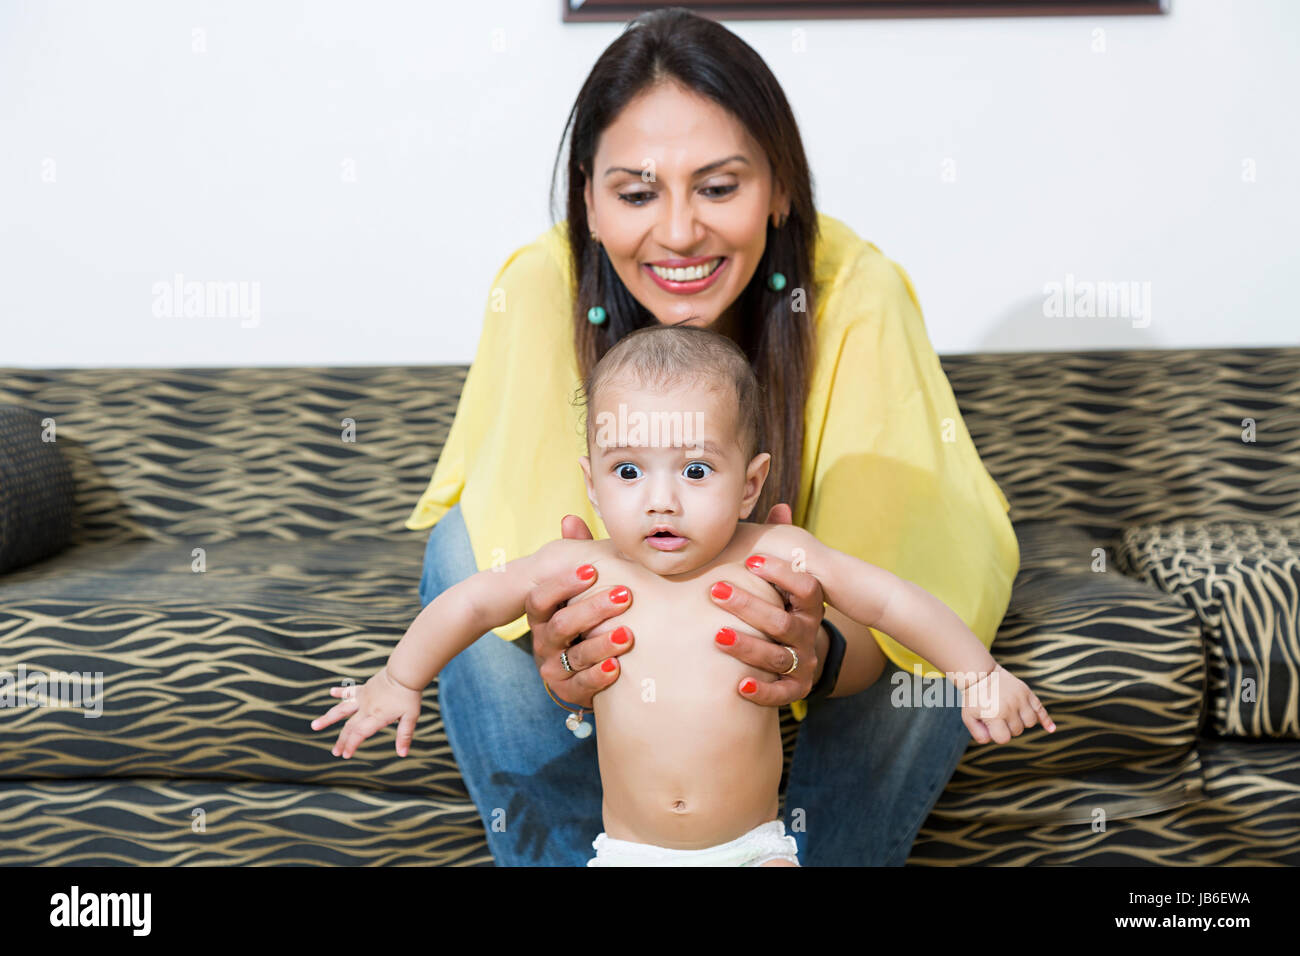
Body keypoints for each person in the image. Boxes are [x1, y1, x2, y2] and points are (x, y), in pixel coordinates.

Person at [400, 9, 1020, 866]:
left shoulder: (854, 290)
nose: (681, 231)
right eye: (635, 191)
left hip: (799, 650)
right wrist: (561, 635)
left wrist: (818, 647)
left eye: (720, 187)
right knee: (459, 550)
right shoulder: (541, 284)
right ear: (588, 196)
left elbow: (907, 569)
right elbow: (518, 549)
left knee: (934, 623)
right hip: (625, 686)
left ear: (781, 188)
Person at [314, 326, 1052, 867]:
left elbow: (891, 601)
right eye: (629, 472)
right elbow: (471, 602)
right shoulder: (579, 565)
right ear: (592, 480)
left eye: (696, 472)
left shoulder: (774, 552)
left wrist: (976, 672)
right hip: (629, 853)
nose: (661, 502)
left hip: (758, 850)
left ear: (752, 483)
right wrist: (398, 677)